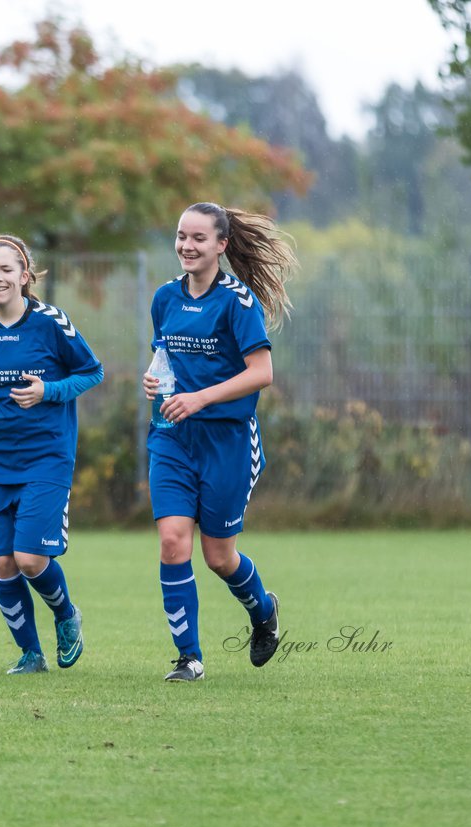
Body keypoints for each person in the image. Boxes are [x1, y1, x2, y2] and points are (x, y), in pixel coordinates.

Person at [0, 234, 103, 674]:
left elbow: (92, 371)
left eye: (6, 269)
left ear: (24, 276)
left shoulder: (50, 322)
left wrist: (50, 390)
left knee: (30, 559)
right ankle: (31, 654)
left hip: (47, 455)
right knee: (3, 561)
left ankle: (66, 615)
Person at [143, 202, 297, 681]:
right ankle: (189, 658)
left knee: (218, 557)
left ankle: (263, 611)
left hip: (228, 443)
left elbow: (262, 373)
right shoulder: (165, 298)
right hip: (172, 439)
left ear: (221, 246)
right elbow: (164, 355)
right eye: (181, 236)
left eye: (198, 239)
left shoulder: (237, 301)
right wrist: (154, 378)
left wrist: (199, 399)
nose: (187, 246)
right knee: (172, 541)